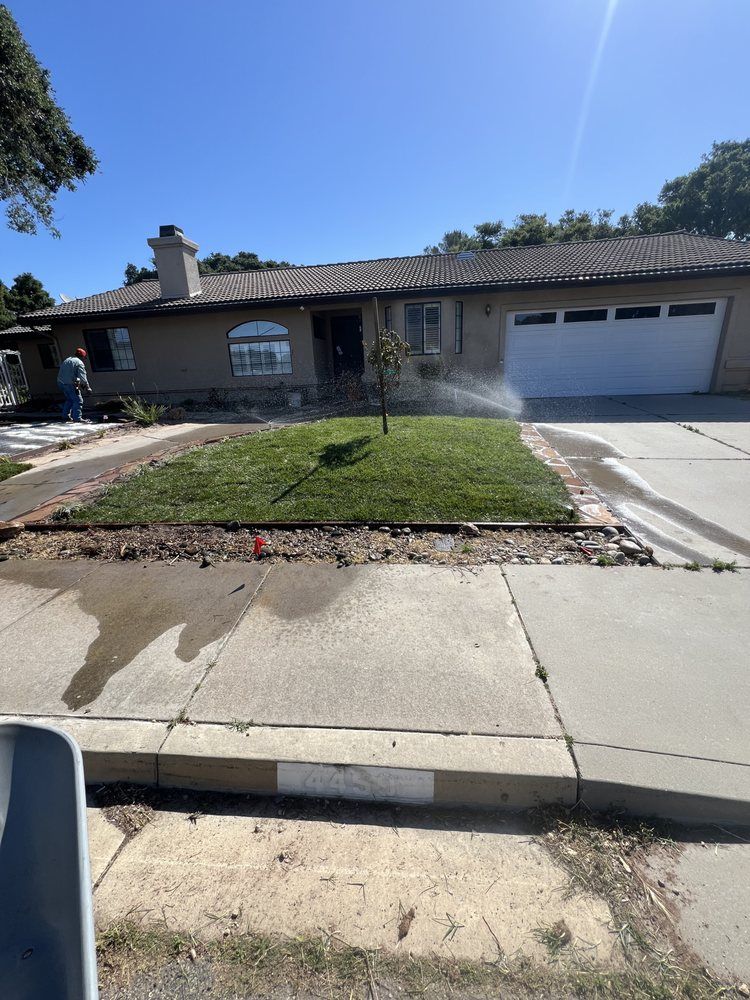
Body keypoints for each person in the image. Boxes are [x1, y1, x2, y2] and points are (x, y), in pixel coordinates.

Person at [57, 347, 92, 422]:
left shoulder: (67, 360)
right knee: (78, 400)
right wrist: (88, 388)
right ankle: (77, 418)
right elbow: (83, 378)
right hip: (69, 384)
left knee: (69, 399)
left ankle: (65, 416)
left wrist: (80, 385)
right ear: (82, 356)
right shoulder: (79, 363)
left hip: (61, 383)